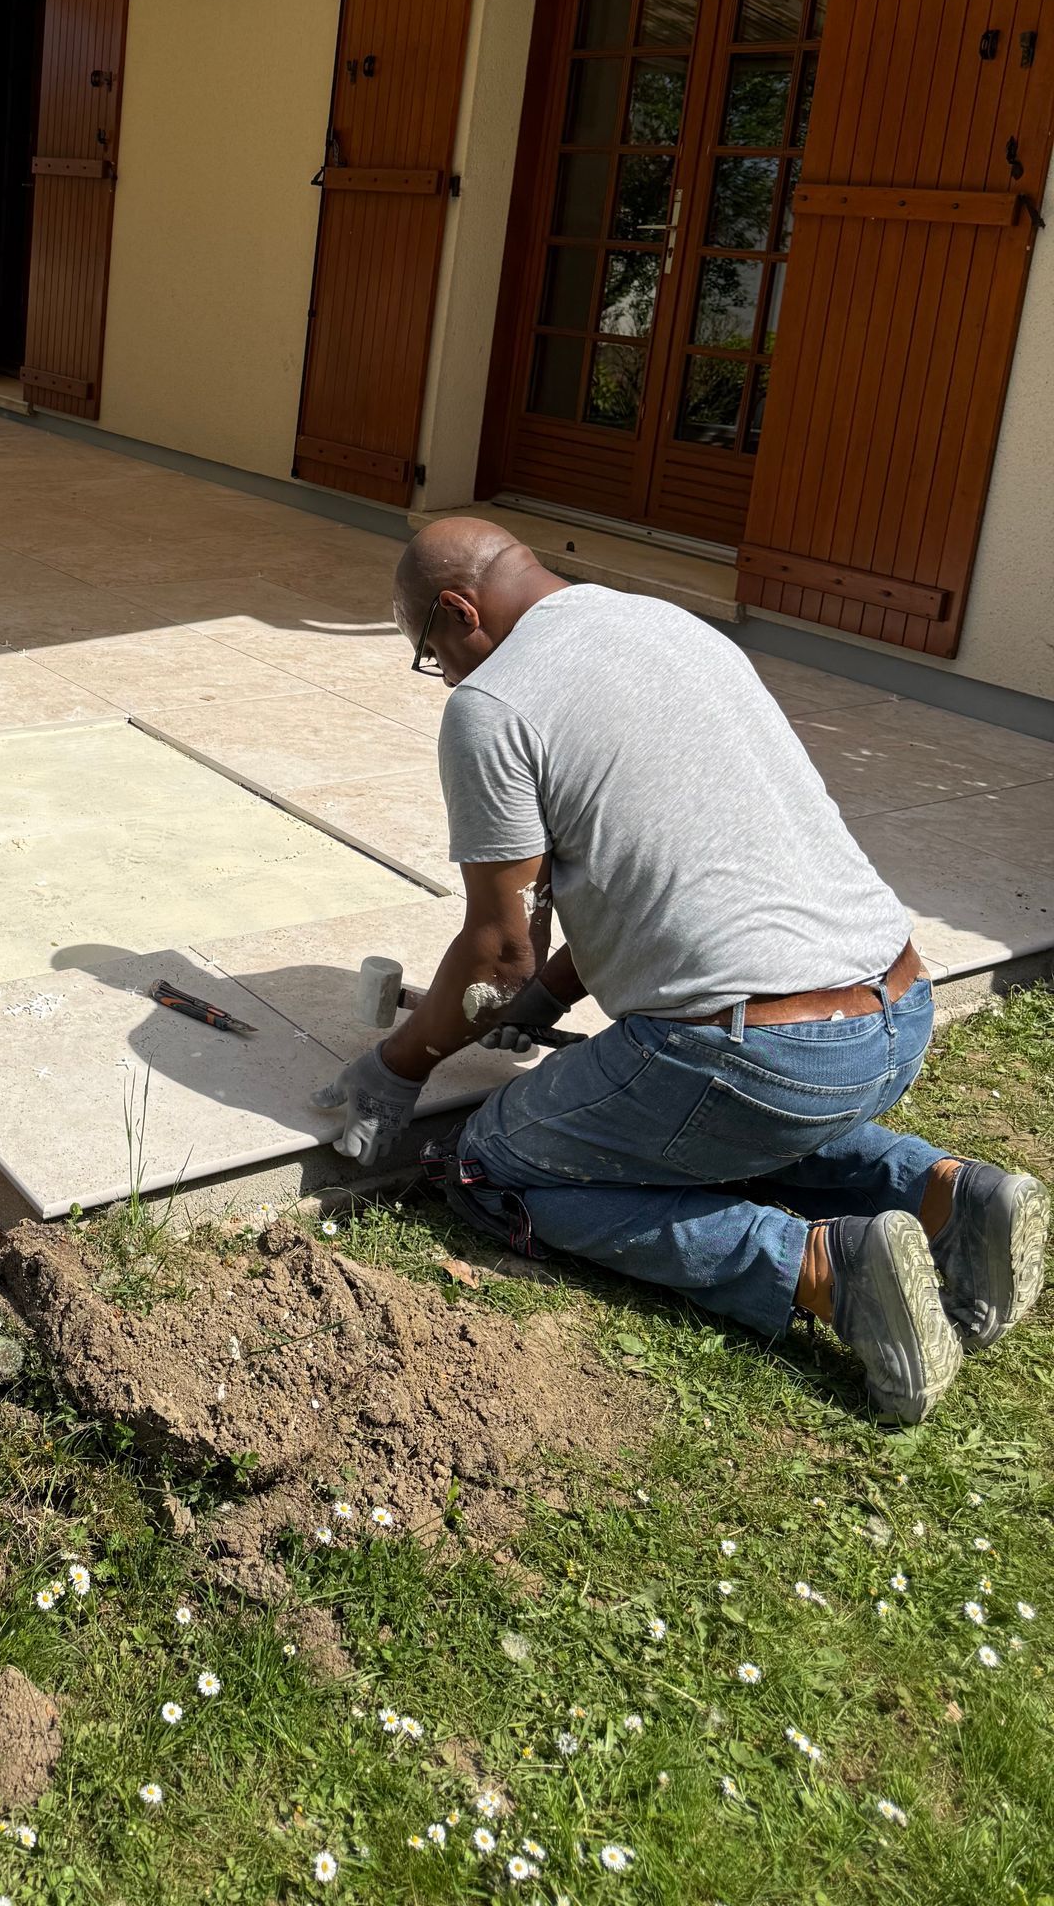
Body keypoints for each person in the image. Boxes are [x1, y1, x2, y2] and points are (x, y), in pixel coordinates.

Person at [318, 516, 1049, 1423]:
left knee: (494, 1163)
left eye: (434, 654)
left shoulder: (494, 704)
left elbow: (497, 954)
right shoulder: (670, 627)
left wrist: (399, 1067)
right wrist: (549, 996)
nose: (448, 679)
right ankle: (950, 1196)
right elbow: (662, 870)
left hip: (762, 1058)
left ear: (460, 611)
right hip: (894, 1012)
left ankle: (829, 1268)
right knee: (719, 1120)